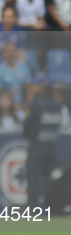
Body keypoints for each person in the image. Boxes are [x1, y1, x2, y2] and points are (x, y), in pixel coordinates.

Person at [23, 74, 66, 209]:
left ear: (42, 87)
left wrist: (31, 137)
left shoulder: (37, 105)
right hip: (52, 146)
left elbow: (28, 126)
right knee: (51, 177)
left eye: (36, 85)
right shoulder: (58, 105)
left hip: (37, 146)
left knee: (33, 177)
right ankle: (53, 207)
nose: (34, 87)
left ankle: (33, 207)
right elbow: (59, 125)